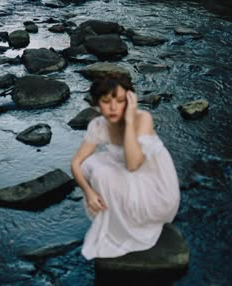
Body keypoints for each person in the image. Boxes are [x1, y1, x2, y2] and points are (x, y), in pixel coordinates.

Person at [71, 73, 180, 260]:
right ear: (97, 103)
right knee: (91, 166)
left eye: (120, 101)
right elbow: (76, 163)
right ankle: (118, 221)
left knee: (102, 172)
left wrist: (130, 120)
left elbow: (132, 165)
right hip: (132, 178)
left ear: (129, 101)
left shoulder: (142, 118)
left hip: (157, 191)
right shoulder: (98, 125)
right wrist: (89, 193)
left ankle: (131, 226)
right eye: (106, 101)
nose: (113, 107)